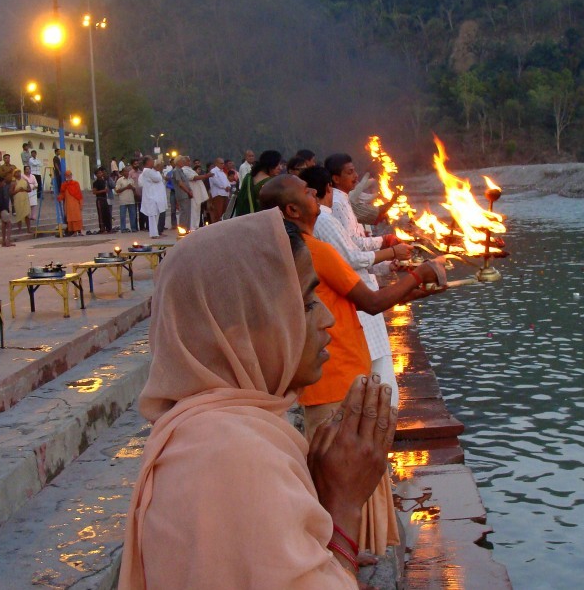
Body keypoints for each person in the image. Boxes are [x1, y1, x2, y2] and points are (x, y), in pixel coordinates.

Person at [119, 209, 395, 589]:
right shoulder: (233, 454)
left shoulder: (219, 431)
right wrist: (344, 507)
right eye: (307, 301)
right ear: (240, 328)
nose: (327, 319)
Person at [260, 173, 448, 556]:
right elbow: (371, 302)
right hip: (336, 372)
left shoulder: (298, 248)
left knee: (347, 464)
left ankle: (350, 556)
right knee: (346, 470)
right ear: (292, 209)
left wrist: (412, 287)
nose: (318, 193)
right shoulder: (314, 250)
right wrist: (419, 274)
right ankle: (346, 559)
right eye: (308, 192)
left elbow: (353, 297)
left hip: (334, 369)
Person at [303, 166, 410, 404]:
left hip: (357, 294)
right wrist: (404, 262)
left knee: (373, 367)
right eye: (349, 171)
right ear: (330, 186)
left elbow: (353, 247)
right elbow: (352, 259)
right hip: (356, 299)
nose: (353, 177)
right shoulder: (324, 220)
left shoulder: (325, 218)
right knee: (377, 375)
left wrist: (386, 262)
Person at [233, 150, 283, 217]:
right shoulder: (269, 183)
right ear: (270, 164)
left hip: (245, 219)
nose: (280, 168)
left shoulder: (248, 177)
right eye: (277, 164)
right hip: (262, 220)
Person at [137, 157, 166, 238]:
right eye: (152, 161)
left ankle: (155, 232)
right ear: (148, 162)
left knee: (155, 215)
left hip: (154, 196)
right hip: (151, 197)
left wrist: (156, 170)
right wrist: (157, 170)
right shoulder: (147, 171)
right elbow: (158, 178)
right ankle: (154, 234)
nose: (153, 162)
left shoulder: (150, 171)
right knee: (152, 216)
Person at [58, 171, 84, 235]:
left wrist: (80, 203)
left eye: (69, 175)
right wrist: (59, 198)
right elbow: (62, 193)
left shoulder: (76, 183)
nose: (68, 176)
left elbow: (79, 194)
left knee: (77, 217)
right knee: (70, 217)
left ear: (71, 175)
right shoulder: (64, 185)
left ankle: (78, 231)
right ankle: (73, 231)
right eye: (67, 175)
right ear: (65, 176)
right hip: (68, 204)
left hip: (75, 203)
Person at [207, 157, 231, 223]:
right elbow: (216, 181)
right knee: (218, 212)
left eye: (223, 163)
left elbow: (227, 181)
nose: (223, 165)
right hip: (218, 194)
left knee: (224, 212)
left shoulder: (223, 172)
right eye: (221, 163)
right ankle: (216, 225)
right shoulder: (213, 171)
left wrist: (228, 186)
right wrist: (224, 187)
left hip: (225, 194)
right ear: (216, 163)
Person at [115, 166, 138, 233]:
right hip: (123, 200)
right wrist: (126, 187)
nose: (127, 173)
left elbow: (134, 189)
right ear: (122, 172)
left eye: (127, 171)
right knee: (123, 216)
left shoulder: (131, 180)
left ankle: (133, 228)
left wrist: (132, 188)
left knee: (133, 215)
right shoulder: (120, 180)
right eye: (125, 171)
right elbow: (117, 190)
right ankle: (123, 228)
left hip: (131, 200)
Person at [171, 157, 191, 231]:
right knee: (184, 212)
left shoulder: (181, 170)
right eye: (182, 161)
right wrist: (188, 191)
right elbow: (180, 183)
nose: (183, 162)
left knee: (187, 212)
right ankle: (183, 229)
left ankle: (187, 229)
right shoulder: (176, 171)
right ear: (178, 162)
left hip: (186, 194)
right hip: (182, 194)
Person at [0, 174, 14, 247]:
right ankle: (7, 241)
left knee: (4, 224)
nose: (4, 183)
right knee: (8, 224)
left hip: (3, 209)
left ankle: (3, 241)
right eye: (3, 182)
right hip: (3, 209)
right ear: (0, 183)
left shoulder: (1, 190)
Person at [92, 166, 113, 234]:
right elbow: (94, 192)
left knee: (107, 213)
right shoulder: (95, 183)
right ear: (96, 175)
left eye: (101, 173)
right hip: (99, 199)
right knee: (101, 215)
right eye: (99, 173)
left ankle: (109, 228)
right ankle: (102, 229)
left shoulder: (104, 181)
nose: (100, 174)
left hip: (105, 199)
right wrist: (103, 191)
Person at [10, 168, 32, 232]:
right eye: (16, 172)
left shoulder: (25, 180)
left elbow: (29, 189)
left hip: (25, 198)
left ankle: (29, 229)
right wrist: (17, 190)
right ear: (14, 174)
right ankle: (19, 229)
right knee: (19, 214)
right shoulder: (13, 183)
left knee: (27, 214)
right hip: (17, 199)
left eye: (19, 172)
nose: (18, 173)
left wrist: (24, 190)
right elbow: (10, 192)